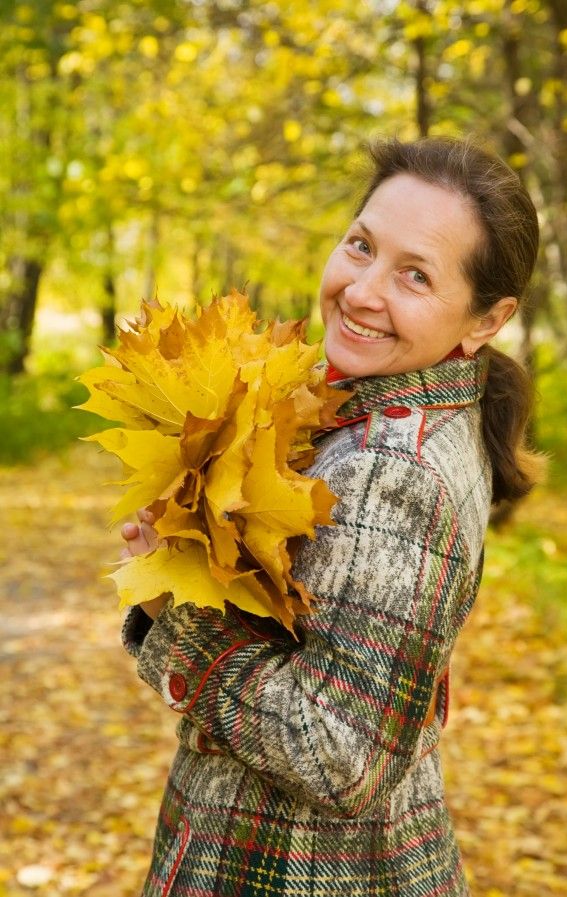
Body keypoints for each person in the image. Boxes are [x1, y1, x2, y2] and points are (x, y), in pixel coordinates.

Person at [120, 136, 541, 897]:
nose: (362, 291)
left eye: (415, 275)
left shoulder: (392, 468)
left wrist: (171, 613)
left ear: (486, 319)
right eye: (362, 245)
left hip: (305, 871)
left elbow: (339, 754)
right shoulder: (367, 411)